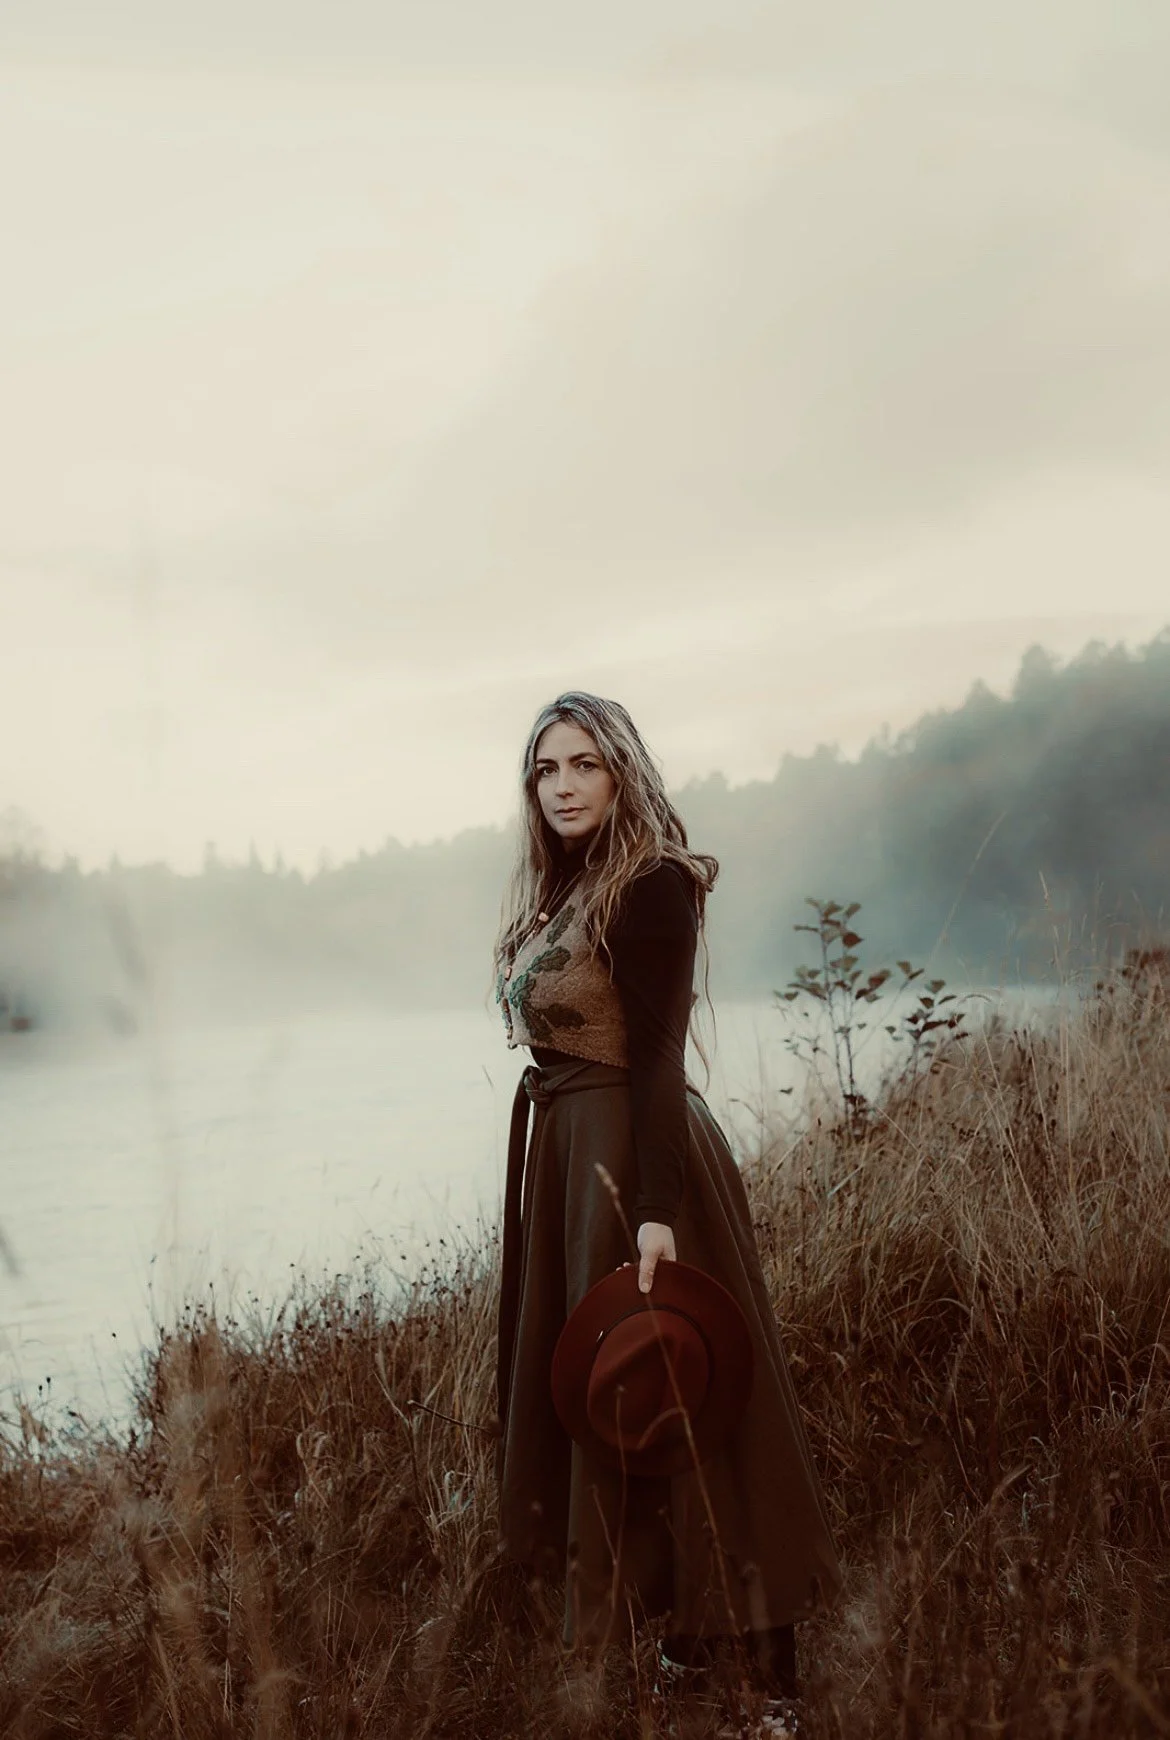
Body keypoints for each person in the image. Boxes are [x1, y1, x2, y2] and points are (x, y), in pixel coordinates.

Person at [493, 691, 841, 1721]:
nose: (562, 786)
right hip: (568, 1151)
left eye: (583, 766)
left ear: (623, 773)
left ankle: (767, 1663)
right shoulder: (567, 888)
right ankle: (675, 1635)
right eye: (545, 770)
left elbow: (653, 1057)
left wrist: (651, 1207)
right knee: (605, 1402)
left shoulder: (650, 886)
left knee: (688, 1400)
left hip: (636, 1160)